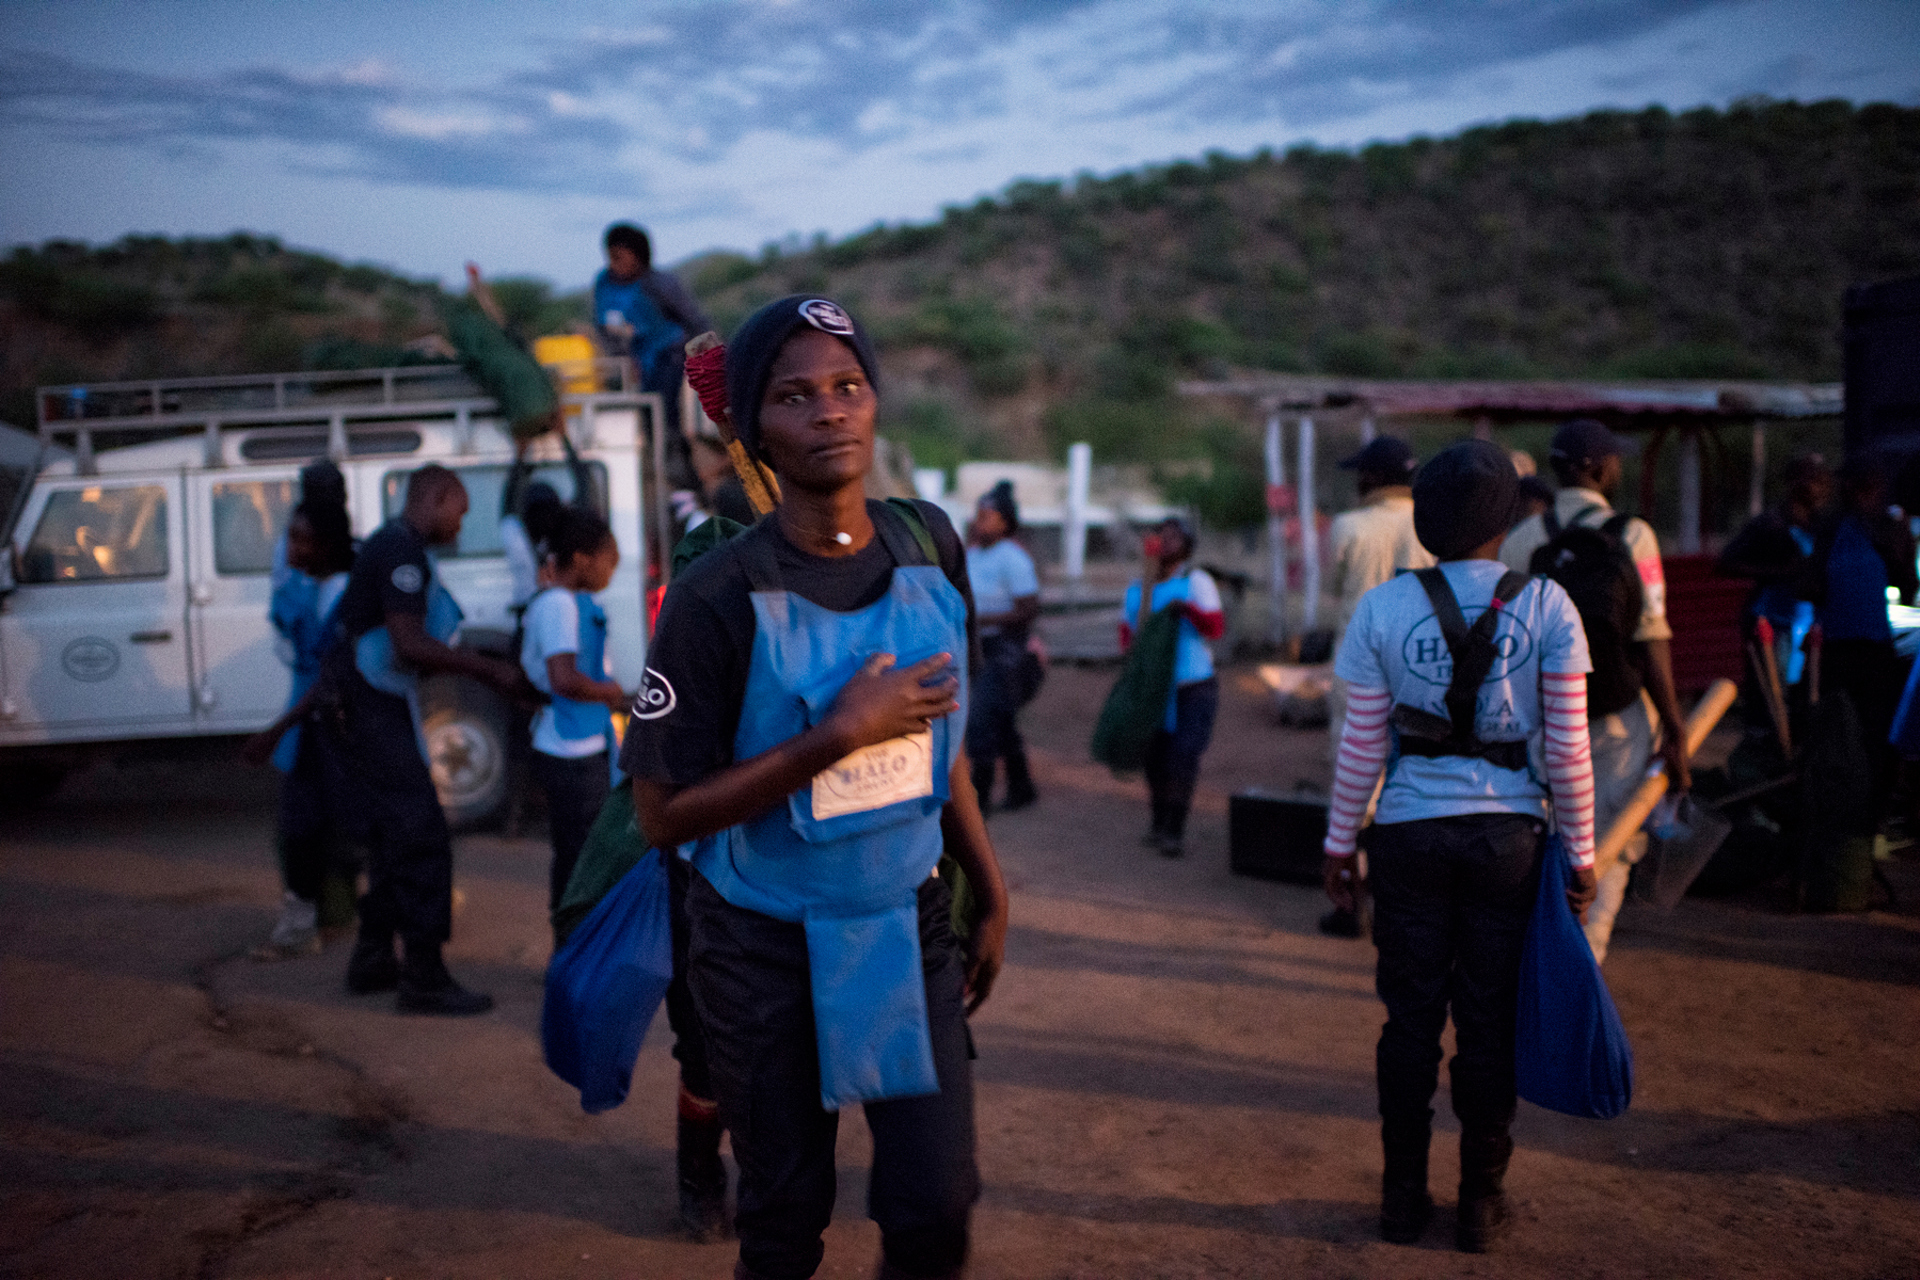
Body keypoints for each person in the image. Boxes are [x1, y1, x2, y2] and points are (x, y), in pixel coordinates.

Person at [623, 295, 1010, 1280]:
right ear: (757, 428)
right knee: (787, 1218)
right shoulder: (715, 594)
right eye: (796, 396)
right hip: (759, 946)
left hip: (902, 920)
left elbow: (943, 743)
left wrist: (988, 885)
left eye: (848, 385)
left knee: (935, 1204)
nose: (830, 411)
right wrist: (834, 735)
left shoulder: (927, 545)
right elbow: (661, 811)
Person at [1323, 439, 1599, 1253]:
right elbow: (1569, 751)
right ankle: (1481, 1203)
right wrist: (1580, 854)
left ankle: (1401, 1199)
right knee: (1487, 1024)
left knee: (1407, 1020)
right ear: (1508, 518)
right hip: (1508, 841)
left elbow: (1361, 745)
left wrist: (1341, 843)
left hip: (1406, 837)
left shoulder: (1382, 608)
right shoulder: (1548, 605)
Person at [319, 464, 527, 1015]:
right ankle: (424, 977)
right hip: (370, 706)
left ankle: (372, 959)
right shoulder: (402, 552)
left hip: (362, 705)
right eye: (459, 511)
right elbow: (409, 645)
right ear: (435, 498)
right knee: (423, 835)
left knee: (393, 834)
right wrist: (489, 672)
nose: (460, 525)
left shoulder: (394, 545)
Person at [1499, 419, 1689, 965]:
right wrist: (1673, 727)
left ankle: (1536, 959)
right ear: (1600, 469)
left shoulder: (1520, 541)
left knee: (1544, 842)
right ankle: (1586, 957)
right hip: (1618, 715)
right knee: (1607, 849)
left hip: (1542, 717)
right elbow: (1652, 633)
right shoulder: (1634, 535)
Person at [1320, 435, 1433, 935]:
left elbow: (1333, 587)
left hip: (1359, 664)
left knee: (1355, 781)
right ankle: (1405, 903)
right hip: (1423, 667)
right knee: (1413, 778)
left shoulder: (1347, 526)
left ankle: (1353, 902)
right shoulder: (1434, 524)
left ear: (1369, 478)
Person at [244, 496, 357, 957]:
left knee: (343, 827)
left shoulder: (350, 595)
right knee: (302, 826)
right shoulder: (310, 588)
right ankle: (308, 921)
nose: (289, 547)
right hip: (311, 726)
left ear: (326, 545)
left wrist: (274, 731)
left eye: (299, 538)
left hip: (337, 727)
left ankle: (320, 922)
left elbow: (331, 674)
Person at [522, 506, 629, 915]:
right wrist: (610, 692)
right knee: (579, 857)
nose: (610, 575)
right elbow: (564, 678)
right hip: (570, 751)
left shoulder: (568, 602)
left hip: (581, 740)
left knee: (582, 853)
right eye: (609, 563)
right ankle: (571, 943)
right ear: (583, 558)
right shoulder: (559, 605)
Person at [1809, 456, 1917, 827]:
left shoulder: (1889, 530)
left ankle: (1870, 818)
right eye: (1855, 488)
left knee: (1875, 737)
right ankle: (1837, 814)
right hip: (1837, 650)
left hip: (1872, 650)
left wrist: (1894, 550)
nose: (1860, 496)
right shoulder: (1832, 529)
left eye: (1867, 488)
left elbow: (1906, 588)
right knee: (1835, 734)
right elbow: (1811, 586)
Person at [1120, 517, 1224, 858]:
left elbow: (1215, 627)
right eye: (1160, 537)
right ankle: (1158, 820)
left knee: (1182, 757)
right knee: (1155, 758)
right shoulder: (1138, 589)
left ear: (1187, 545)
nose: (1165, 543)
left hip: (1192, 685)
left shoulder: (1196, 582)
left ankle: (1174, 828)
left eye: (1174, 538)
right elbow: (1127, 636)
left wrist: (1188, 611)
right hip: (1152, 687)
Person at [593, 223, 713, 491]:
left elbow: (695, 320)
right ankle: (657, 474)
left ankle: (684, 481)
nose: (615, 265)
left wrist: (711, 359)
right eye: (611, 257)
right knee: (639, 423)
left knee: (665, 420)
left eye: (621, 258)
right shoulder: (604, 284)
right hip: (632, 365)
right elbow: (604, 327)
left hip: (667, 358)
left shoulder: (660, 283)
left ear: (639, 255)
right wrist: (623, 357)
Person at [1718, 453, 1832, 689]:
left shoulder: (1822, 525)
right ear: (1795, 482)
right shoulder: (1770, 524)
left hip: (1810, 623)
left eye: (1824, 481)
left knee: (1804, 692)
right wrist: (1778, 572)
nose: (1822, 488)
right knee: (1770, 691)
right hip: (1772, 621)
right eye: (1815, 481)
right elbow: (1726, 562)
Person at [964, 480, 1042, 813]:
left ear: (1005, 523)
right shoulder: (971, 554)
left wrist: (982, 620)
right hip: (975, 646)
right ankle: (1022, 787)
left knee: (979, 717)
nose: (979, 521)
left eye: (987, 516)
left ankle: (979, 798)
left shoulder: (1013, 559)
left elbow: (1027, 610)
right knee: (1001, 718)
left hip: (1004, 650)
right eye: (978, 515)